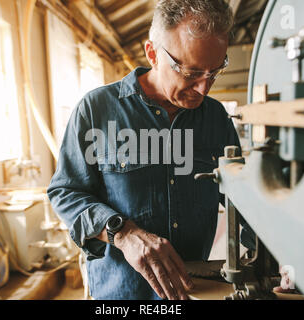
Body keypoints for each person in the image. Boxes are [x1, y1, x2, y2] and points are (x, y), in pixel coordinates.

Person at [47, 0, 240, 300]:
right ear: (153, 54)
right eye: (190, 73)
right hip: (121, 294)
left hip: (194, 291)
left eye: (214, 72)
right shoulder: (97, 110)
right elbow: (66, 192)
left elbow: (239, 197)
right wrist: (122, 233)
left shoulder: (215, 118)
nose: (204, 89)